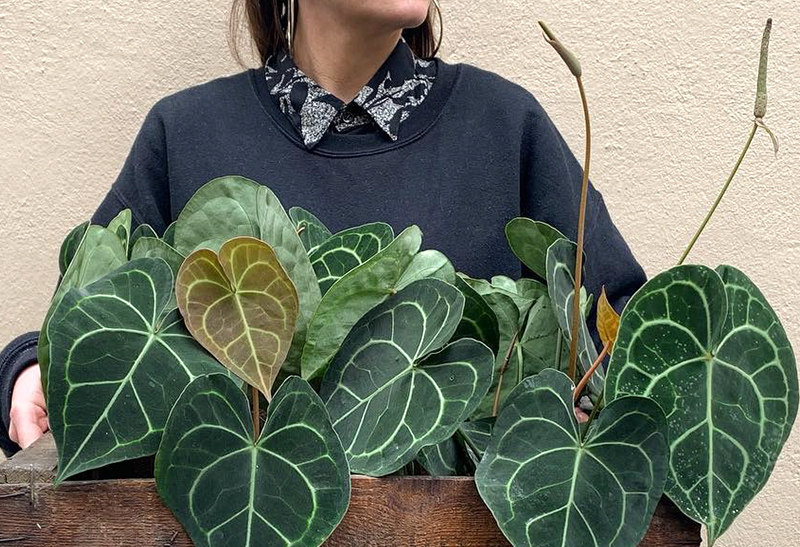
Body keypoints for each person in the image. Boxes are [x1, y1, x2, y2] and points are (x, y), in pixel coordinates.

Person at [0, 0, 645, 456]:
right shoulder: (186, 136)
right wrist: (29, 373)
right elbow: (95, 321)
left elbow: (624, 333)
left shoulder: (505, 128)